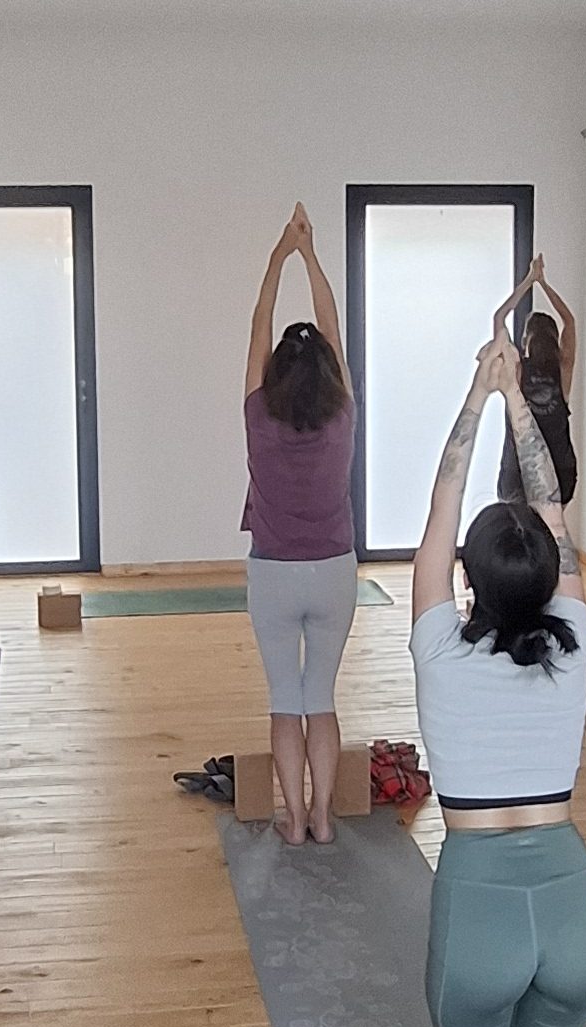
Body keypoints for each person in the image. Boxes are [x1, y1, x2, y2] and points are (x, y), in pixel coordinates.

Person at [413, 334, 586, 1027]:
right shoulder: (574, 643)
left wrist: (477, 393)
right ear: (546, 578)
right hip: (572, 905)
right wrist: (526, 410)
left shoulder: (439, 651)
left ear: (468, 579)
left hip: (480, 900)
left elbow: (439, 512)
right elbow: (553, 512)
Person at [243, 203, 360, 845]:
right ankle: (322, 818)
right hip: (335, 573)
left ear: (275, 373)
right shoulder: (343, 414)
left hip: (274, 577)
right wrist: (311, 255)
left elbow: (259, 323)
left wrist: (278, 257)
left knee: (285, 701)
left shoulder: (258, 413)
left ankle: (291, 820)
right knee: (322, 699)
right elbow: (331, 327)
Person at [492, 252, 579, 506]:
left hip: (519, 472)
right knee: (550, 528)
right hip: (559, 472)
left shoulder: (517, 371)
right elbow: (569, 321)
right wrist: (543, 283)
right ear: (553, 339)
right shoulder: (562, 370)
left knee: (520, 527)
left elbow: (499, 318)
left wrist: (530, 280)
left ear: (526, 340)